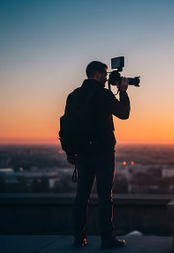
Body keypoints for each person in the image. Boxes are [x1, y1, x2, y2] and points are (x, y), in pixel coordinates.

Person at [64, 61, 130, 249]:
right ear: (97, 74)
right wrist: (123, 91)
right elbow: (124, 113)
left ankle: (79, 238)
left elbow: (67, 126)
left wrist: (70, 152)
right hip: (103, 152)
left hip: (82, 153)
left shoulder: (73, 96)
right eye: (105, 74)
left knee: (82, 196)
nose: (107, 78)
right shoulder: (103, 94)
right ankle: (107, 239)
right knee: (104, 196)